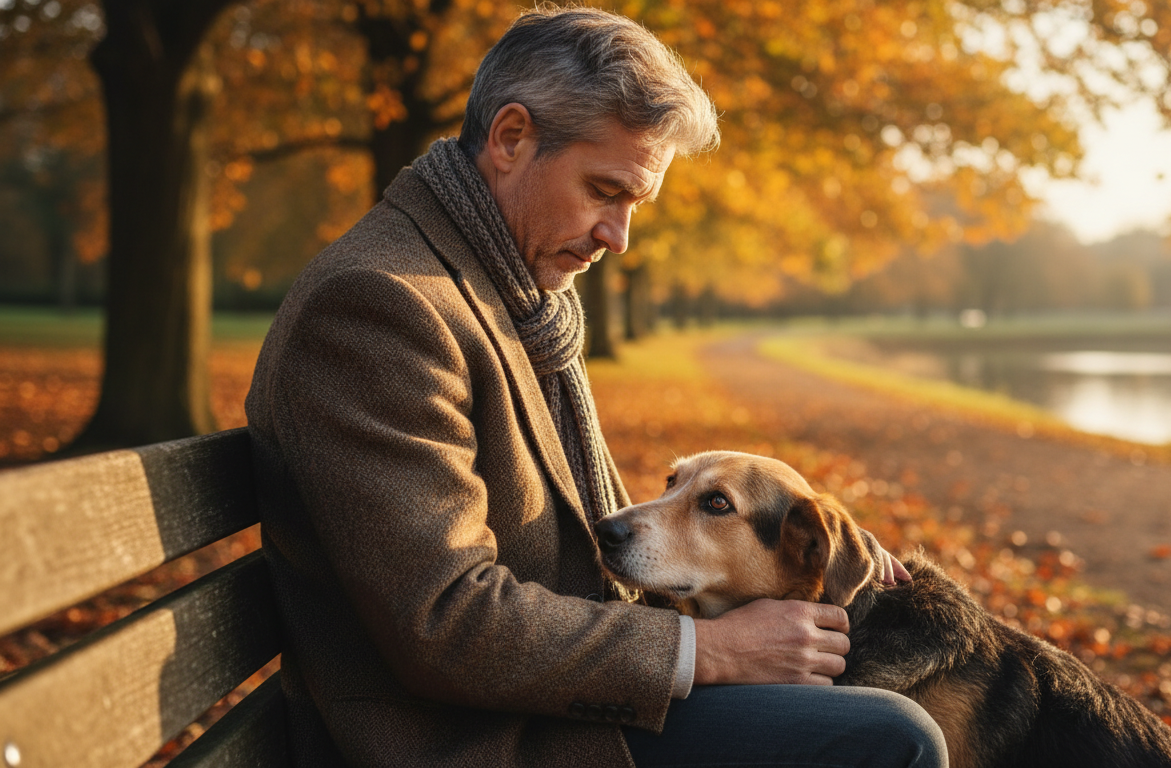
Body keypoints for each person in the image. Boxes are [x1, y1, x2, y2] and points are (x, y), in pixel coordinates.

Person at [245, 6, 947, 767]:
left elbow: (600, 539)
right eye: (605, 191)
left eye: (634, 205)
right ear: (511, 139)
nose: (619, 236)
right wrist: (706, 650)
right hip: (474, 737)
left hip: (545, 699)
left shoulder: (510, 293)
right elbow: (444, 621)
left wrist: (825, 551)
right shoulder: (381, 308)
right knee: (894, 737)